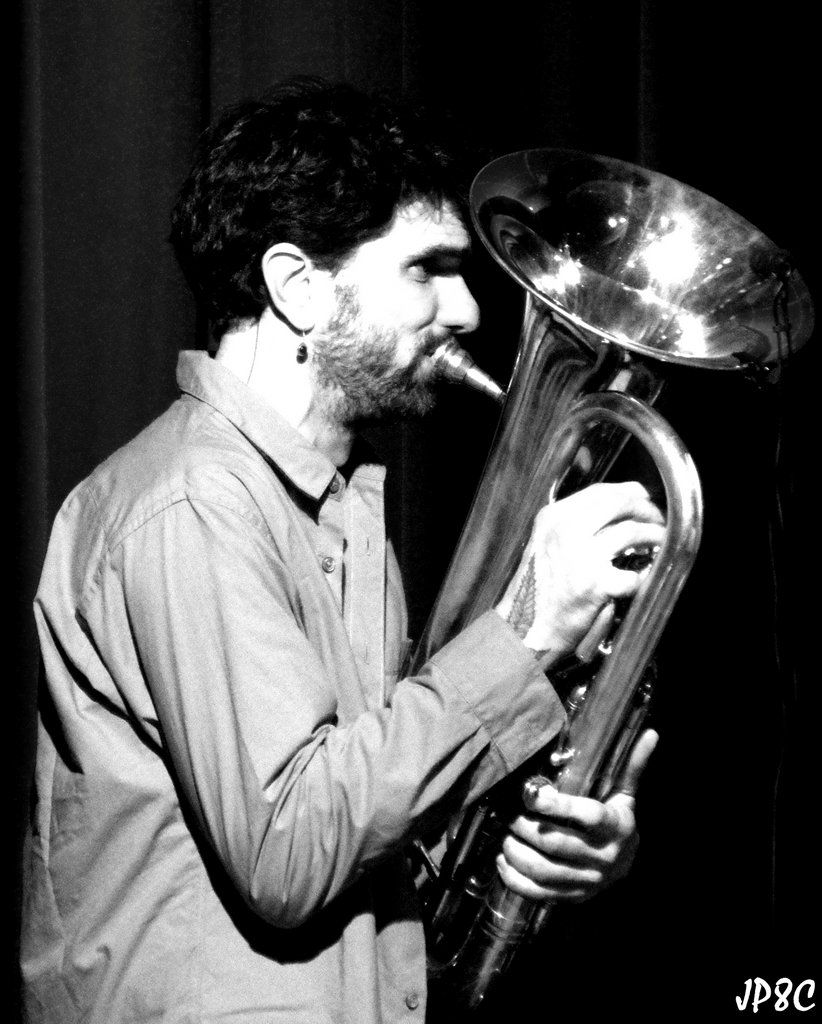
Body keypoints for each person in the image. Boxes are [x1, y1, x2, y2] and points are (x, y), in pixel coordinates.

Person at [21, 78, 664, 1023]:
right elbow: (288, 853)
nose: (469, 308)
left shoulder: (336, 508)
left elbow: (372, 819)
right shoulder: (193, 502)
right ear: (297, 287)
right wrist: (526, 632)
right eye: (427, 269)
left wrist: (547, 842)